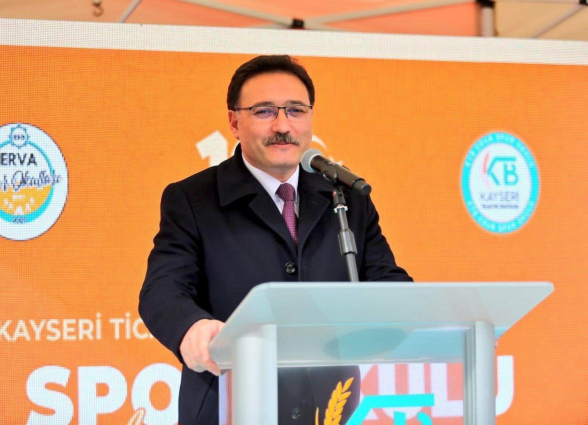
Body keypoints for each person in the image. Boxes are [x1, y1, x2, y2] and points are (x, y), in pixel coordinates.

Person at [139, 55, 412, 425]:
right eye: (264, 111)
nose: (283, 126)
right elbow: (162, 290)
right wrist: (192, 328)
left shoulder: (345, 197)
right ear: (234, 122)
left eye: (296, 110)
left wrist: (426, 317)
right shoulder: (193, 199)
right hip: (228, 403)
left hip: (329, 406)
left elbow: (387, 281)